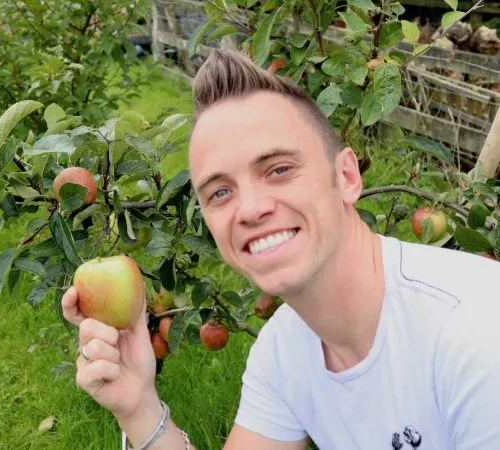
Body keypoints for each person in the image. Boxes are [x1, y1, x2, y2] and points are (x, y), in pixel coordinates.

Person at [61, 48, 500, 450]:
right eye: (219, 193)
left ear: (347, 176)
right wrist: (139, 408)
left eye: (279, 169)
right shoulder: (284, 349)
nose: (250, 209)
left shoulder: (476, 333)